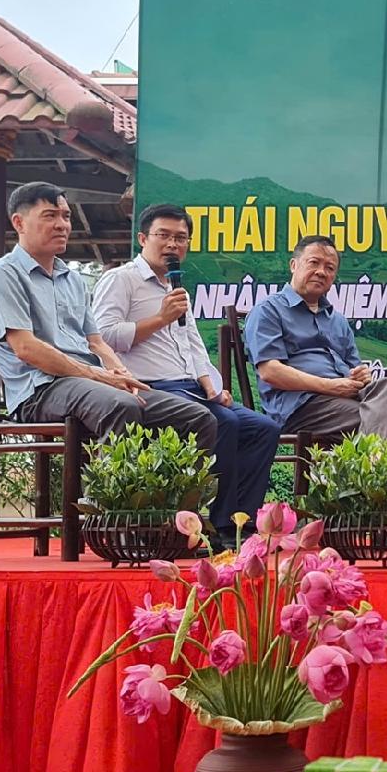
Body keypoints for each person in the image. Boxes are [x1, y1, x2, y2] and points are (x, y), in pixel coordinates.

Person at [0, 183, 218, 457]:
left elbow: (97, 343)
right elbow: (26, 349)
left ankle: (170, 488)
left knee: (198, 418)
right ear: (19, 223)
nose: (62, 225)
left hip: (91, 384)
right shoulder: (4, 274)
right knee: (121, 406)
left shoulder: (73, 280)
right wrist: (97, 375)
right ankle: (108, 487)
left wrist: (122, 376)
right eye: (50, 216)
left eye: (66, 216)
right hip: (40, 390)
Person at [93, 203, 281, 545]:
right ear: (142, 239)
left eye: (180, 238)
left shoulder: (175, 288)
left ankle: (243, 524)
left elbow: (193, 347)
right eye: (163, 235)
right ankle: (219, 528)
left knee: (263, 429)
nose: (172, 244)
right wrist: (160, 319)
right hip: (148, 388)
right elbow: (101, 336)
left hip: (189, 389)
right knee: (226, 423)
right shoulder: (121, 279)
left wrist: (213, 388)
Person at [243, 235, 387, 444]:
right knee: (380, 419)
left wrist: (362, 376)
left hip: (344, 398)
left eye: (330, 268)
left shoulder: (338, 320)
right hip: (301, 406)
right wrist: (330, 386)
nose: (321, 272)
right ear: (294, 265)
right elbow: (270, 372)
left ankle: (369, 461)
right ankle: (375, 464)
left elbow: (355, 370)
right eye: (314, 263)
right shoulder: (268, 310)